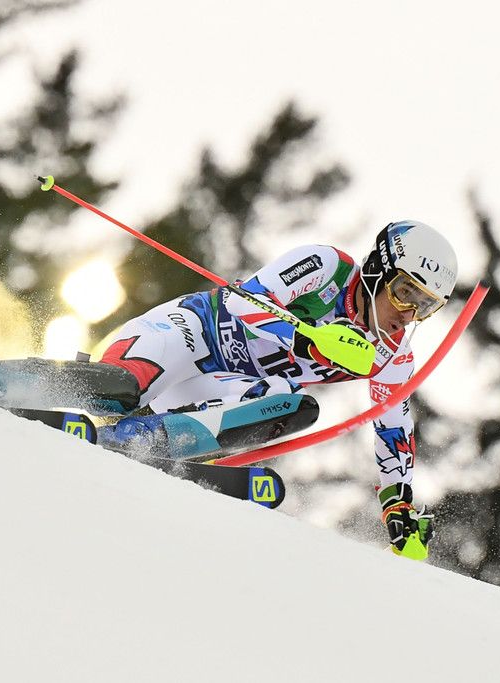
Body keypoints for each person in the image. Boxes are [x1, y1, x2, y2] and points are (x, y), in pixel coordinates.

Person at [96, 220, 458, 559]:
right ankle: (72, 389)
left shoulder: (392, 356)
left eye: (425, 306)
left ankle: (145, 438)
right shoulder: (327, 267)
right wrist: (308, 341)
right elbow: (242, 300)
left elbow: (393, 427)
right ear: (378, 270)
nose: (409, 313)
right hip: (189, 334)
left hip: (220, 387)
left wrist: (398, 505)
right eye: (404, 292)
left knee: (287, 402)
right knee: (119, 390)